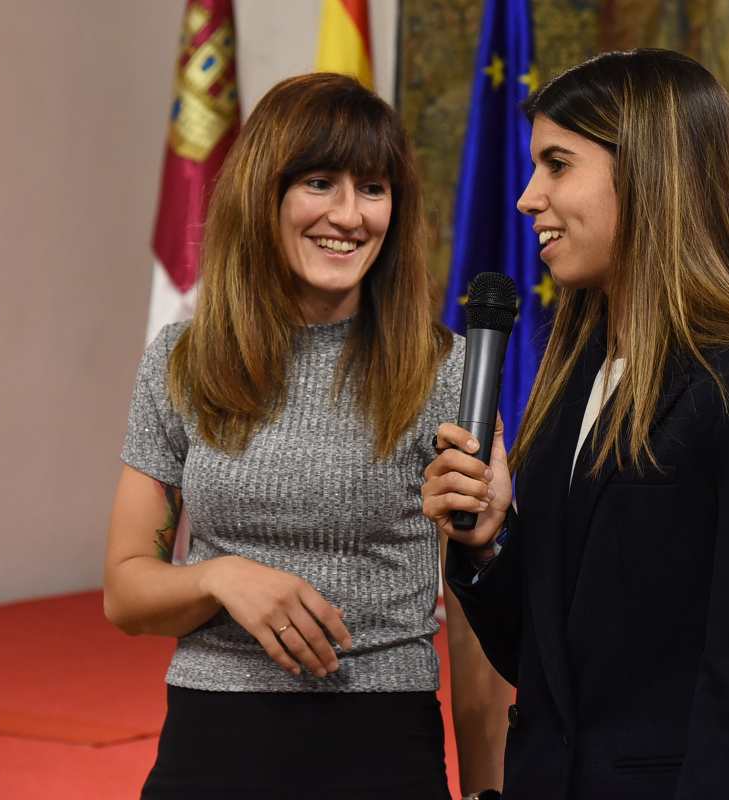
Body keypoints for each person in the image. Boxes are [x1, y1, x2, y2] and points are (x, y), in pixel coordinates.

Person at [422, 49, 729, 799]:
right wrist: (492, 541)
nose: (528, 198)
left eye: (558, 165)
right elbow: (547, 664)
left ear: (652, 174)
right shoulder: (576, 376)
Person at [105, 73, 506, 799]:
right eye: (319, 182)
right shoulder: (182, 358)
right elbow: (126, 592)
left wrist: (486, 786)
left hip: (382, 743)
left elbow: (475, 620)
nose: (349, 215)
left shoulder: (444, 372)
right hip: (210, 739)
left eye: (373, 188)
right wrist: (220, 577)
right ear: (266, 193)